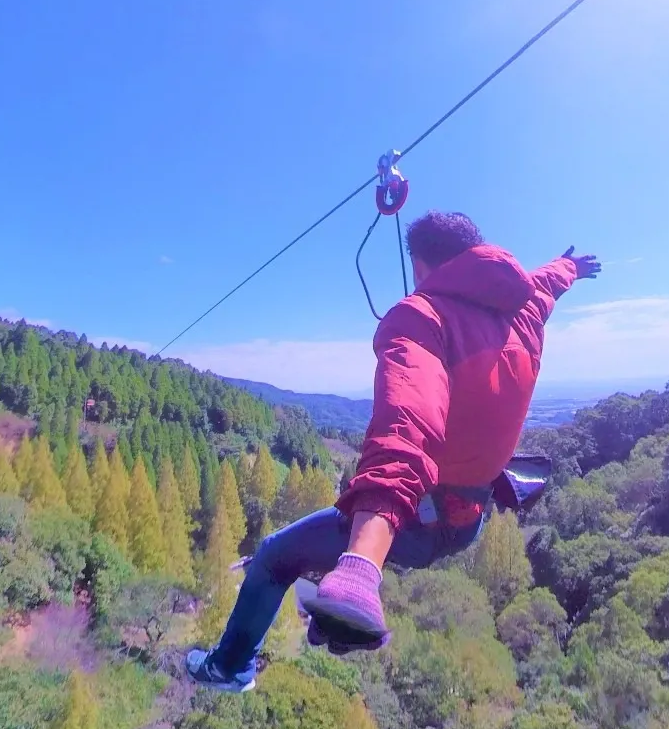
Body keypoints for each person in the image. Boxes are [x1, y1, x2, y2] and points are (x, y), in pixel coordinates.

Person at [186, 211, 599, 691]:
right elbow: (545, 283)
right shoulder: (524, 311)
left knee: (274, 556)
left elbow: (406, 429)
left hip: (422, 524)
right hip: (471, 518)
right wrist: (570, 268)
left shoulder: (420, 317)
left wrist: (361, 565)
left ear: (421, 266)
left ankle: (229, 666)